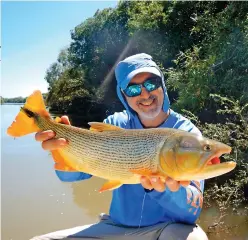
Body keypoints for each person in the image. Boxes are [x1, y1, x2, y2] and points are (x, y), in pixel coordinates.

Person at [32, 53, 208, 240]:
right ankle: (30, 116)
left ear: (162, 84)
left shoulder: (188, 135)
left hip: (165, 230)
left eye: (151, 83)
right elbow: (71, 175)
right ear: (123, 95)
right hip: (116, 228)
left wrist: (163, 188)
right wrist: (62, 148)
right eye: (133, 90)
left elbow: (191, 213)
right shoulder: (116, 124)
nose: (145, 94)